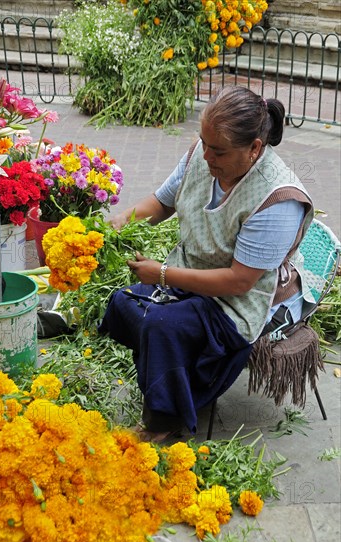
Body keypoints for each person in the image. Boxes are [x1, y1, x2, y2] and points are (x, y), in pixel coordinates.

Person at [98, 86, 315, 442]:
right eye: (204, 143)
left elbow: (238, 281)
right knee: (125, 302)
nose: (207, 157)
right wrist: (120, 221)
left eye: (219, 151)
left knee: (162, 325)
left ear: (255, 149)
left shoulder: (277, 198)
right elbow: (162, 202)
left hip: (235, 304)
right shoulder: (202, 154)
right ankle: (178, 382)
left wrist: (162, 273)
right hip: (190, 274)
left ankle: (164, 421)